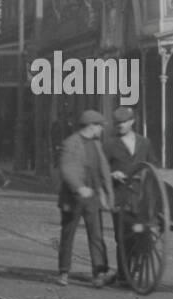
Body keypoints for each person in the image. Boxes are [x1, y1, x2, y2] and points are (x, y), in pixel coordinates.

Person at [56, 110, 116, 288]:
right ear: (91, 126)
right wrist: (79, 187)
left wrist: (108, 195)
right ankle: (64, 271)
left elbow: (104, 170)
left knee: (96, 236)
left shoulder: (96, 144)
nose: (101, 129)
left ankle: (99, 273)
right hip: (72, 198)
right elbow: (66, 168)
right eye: (100, 126)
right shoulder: (70, 143)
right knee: (68, 235)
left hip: (92, 198)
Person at [106, 107, 154, 282]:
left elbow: (153, 165)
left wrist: (146, 176)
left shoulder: (144, 142)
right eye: (117, 123)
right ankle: (124, 274)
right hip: (120, 195)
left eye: (124, 122)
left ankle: (136, 265)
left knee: (141, 234)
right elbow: (103, 168)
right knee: (123, 236)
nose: (120, 126)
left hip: (141, 197)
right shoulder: (109, 144)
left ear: (132, 122)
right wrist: (112, 174)